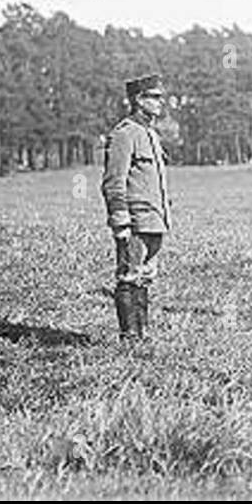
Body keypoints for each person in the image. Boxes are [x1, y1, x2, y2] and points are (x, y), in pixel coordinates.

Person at [101, 73, 171, 340]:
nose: (160, 102)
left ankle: (142, 334)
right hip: (135, 223)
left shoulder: (150, 134)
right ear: (137, 100)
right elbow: (112, 182)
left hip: (155, 221)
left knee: (145, 277)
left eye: (160, 97)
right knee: (129, 277)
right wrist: (120, 224)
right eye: (154, 97)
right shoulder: (125, 134)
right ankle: (130, 337)